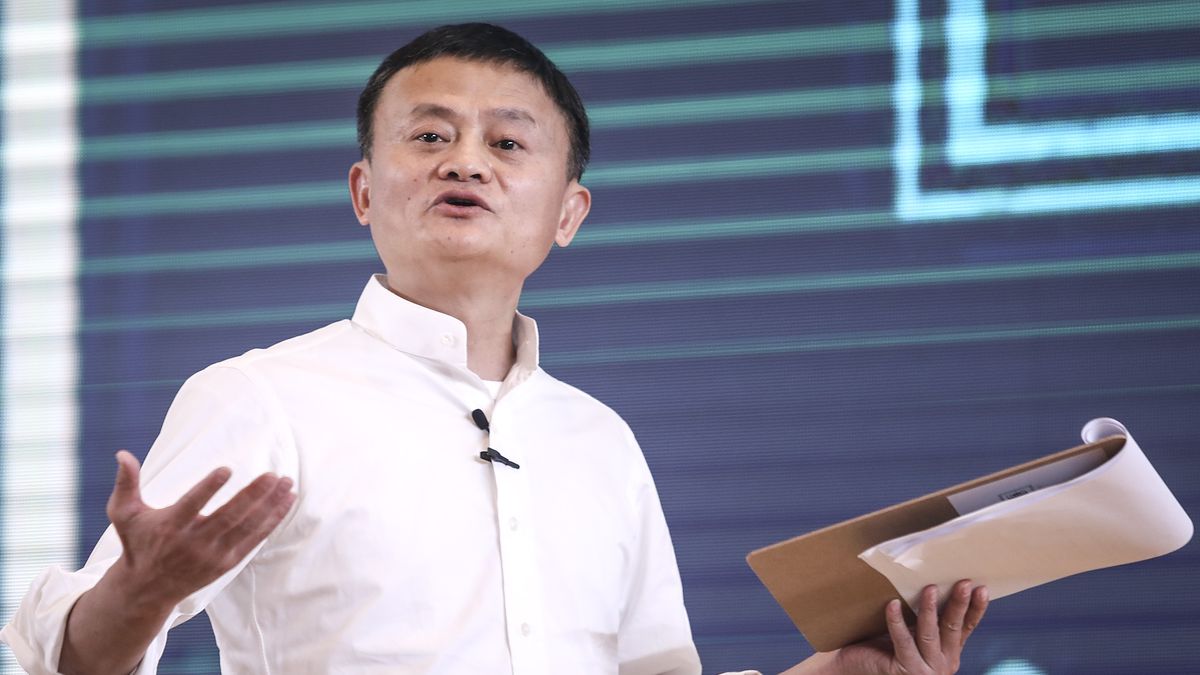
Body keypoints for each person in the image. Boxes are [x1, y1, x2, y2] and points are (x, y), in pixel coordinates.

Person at [1, 23, 987, 675]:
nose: (464, 159)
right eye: (428, 136)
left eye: (508, 144)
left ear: (568, 215)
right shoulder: (261, 399)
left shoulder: (598, 439)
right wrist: (136, 598)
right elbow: (62, 653)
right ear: (362, 193)